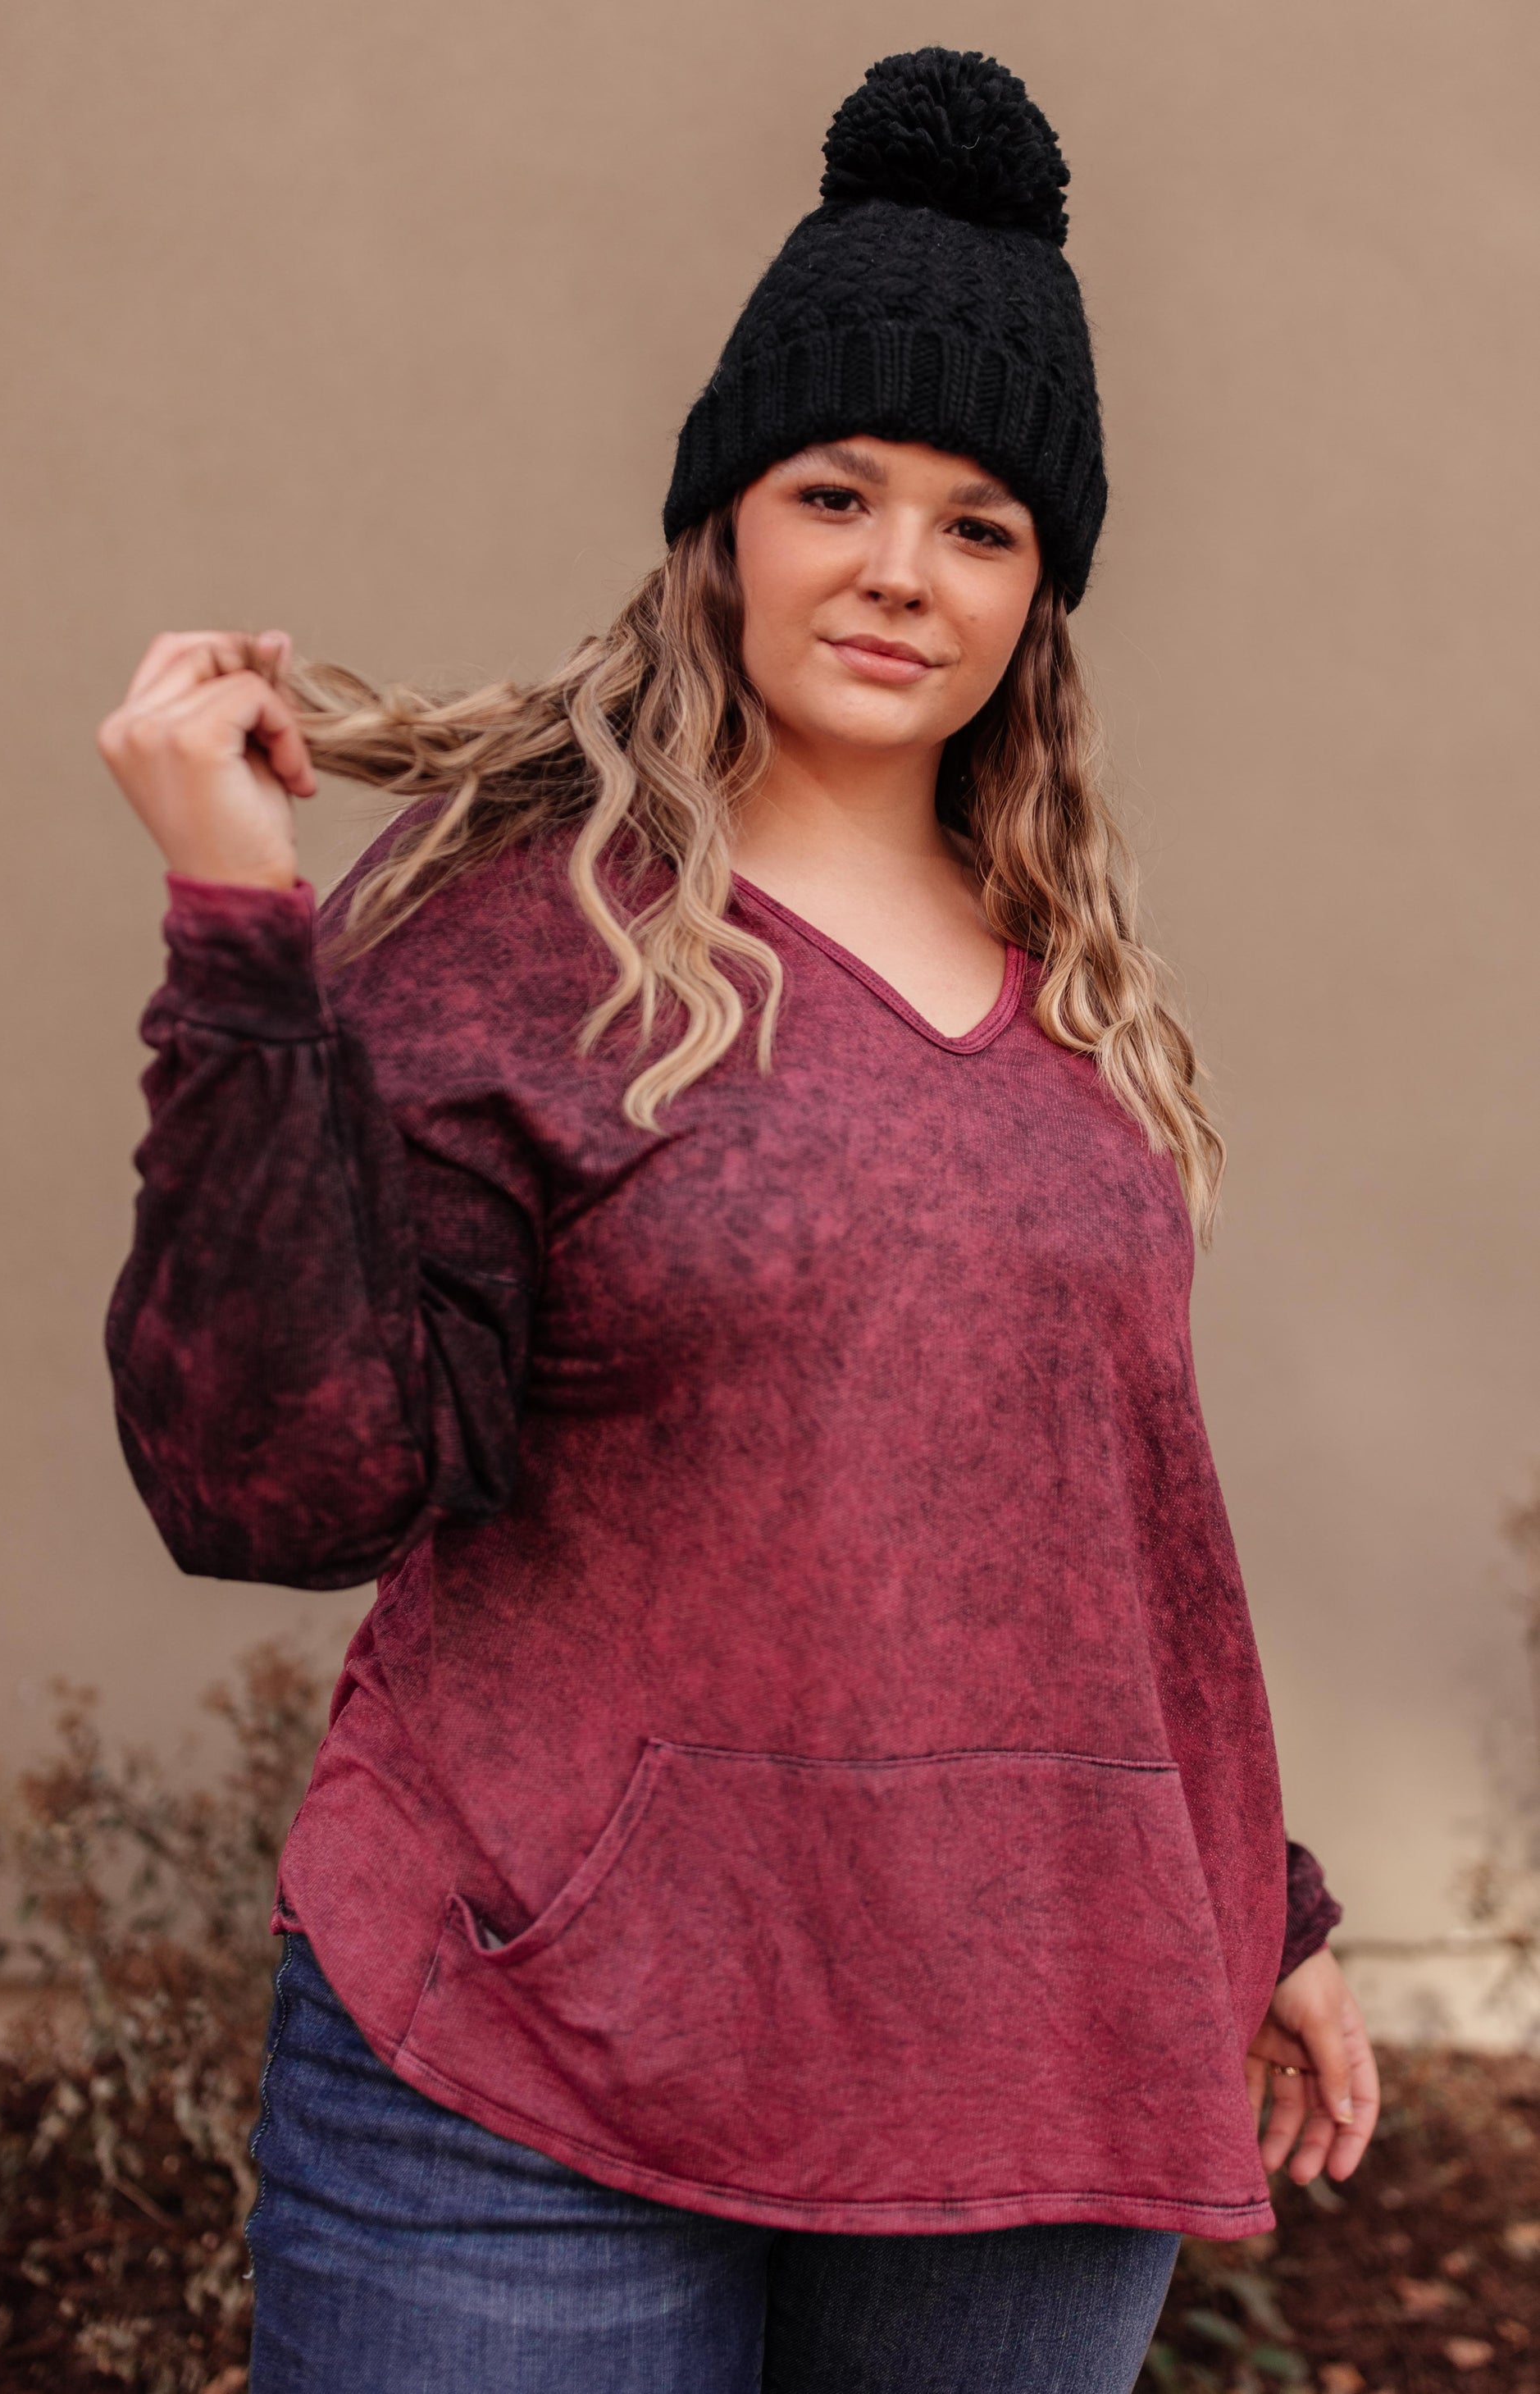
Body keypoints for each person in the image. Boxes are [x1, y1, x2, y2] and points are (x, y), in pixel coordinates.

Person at [96, 48, 1378, 2394]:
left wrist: (1255, 1895)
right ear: (721, 522)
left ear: (1039, 595)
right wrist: (235, 934)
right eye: (836, 492)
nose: (899, 569)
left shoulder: (1074, 983)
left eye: (981, 524)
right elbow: (278, 1480)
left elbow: (1095, 1514)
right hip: (535, 2058)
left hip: (1032, 2065)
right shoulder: (510, 926)